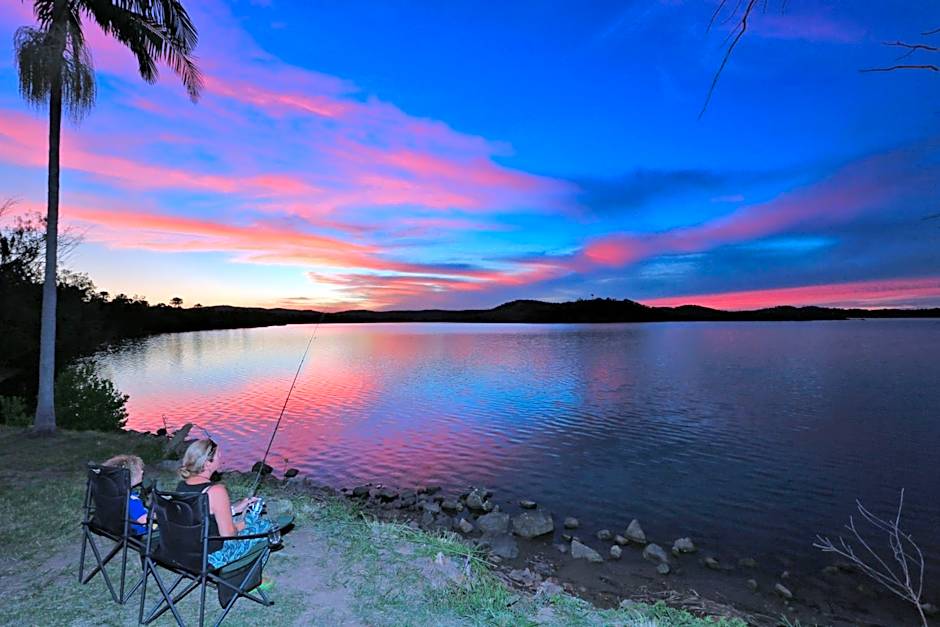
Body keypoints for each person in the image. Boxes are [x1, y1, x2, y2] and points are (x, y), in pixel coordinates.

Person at [176, 439, 274, 568]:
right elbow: (229, 535)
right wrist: (245, 523)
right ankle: (249, 577)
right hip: (210, 557)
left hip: (185, 551)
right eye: (218, 455)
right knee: (266, 527)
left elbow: (200, 514)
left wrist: (233, 510)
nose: (221, 457)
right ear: (207, 464)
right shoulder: (216, 491)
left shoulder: (181, 486)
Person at [102, 454, 148, 535]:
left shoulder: (112, 495)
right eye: (140, 470)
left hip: (118, 528)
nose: (142, 471)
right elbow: (144, 520)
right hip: (140, 532)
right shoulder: (132, 501)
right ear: (128, 477)